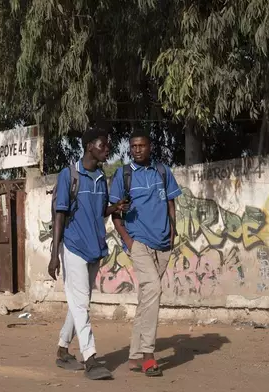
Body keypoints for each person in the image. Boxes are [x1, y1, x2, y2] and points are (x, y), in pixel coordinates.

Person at [47, 128, 128, 381]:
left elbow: (99, 209)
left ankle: (62, 348)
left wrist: (115, 207)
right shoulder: (68, 175)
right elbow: (60, 214)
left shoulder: (101, 177)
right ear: (89, 146)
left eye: (107, 145)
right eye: (103, 145)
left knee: (79, 302)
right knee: (81, 302)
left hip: (96, 248)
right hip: (73, 246)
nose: (107, 149)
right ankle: (91, 358)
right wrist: (54, 253)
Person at [109, 129, 182, 377]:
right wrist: (128, 240)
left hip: (163, 244)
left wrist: (173, 231)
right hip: (138, 242)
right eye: (134, 146)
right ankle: (149, 355)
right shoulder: (123, 174)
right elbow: (115, 212)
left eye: (142, 145)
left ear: (150, 147)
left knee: (147, 298)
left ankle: (133, 356)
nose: (137, 149)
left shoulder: (163, 171)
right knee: (154, 289)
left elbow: (171, 203)